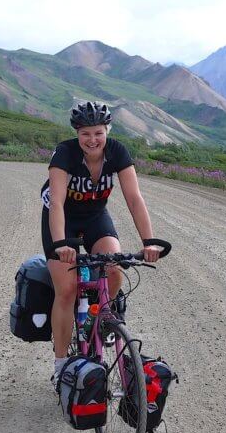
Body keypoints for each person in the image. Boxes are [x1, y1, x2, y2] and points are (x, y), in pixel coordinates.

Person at [41, 100, 163, 385]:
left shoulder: (117, 152)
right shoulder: (65, 153)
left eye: (98, 132)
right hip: (63, 220)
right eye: (85, 133)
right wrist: (60, 244)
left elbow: (134, 198)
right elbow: (57, 202)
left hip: (95, 215)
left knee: (114, 264)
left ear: (107, 130)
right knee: (68, 289)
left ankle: (102, 316)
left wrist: (149, 242)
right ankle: (61, 365)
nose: (92, 139)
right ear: (77, 133)